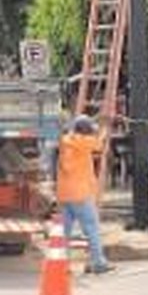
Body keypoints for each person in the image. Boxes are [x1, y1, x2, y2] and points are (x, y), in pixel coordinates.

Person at [57, 115, 115, 275]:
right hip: (80, 193)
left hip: (64, 193)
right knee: (92, 228)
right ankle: (98, 263)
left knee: (64, 232)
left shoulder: (66, 139)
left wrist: (96, 121)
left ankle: (62, 265)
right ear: (85, 132)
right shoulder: (83, 142)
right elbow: (99, 144)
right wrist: (105, 128)